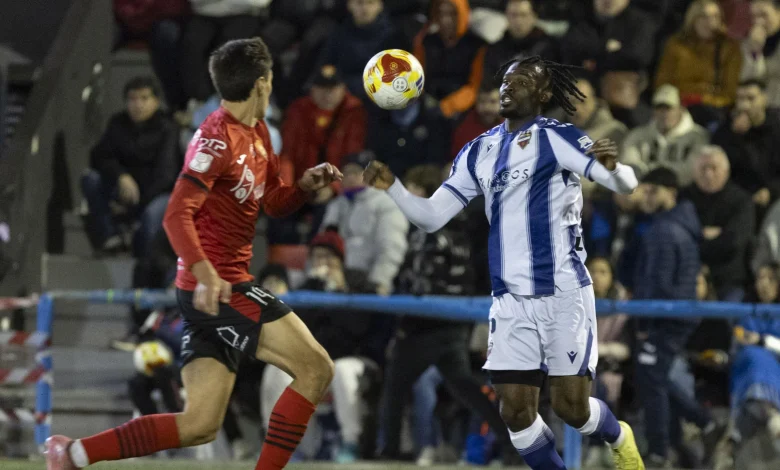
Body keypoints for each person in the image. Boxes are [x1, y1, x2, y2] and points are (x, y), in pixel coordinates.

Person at [45, 37, 343, 470]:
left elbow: (272, 201)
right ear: (262, 83)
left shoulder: (259, 132)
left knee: (199, 424)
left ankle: (73, 453)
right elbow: (174, 215)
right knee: (317, 369)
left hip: (211, 289)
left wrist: (302, 188)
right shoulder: (215, 140)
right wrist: (206, 273)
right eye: (272, 78)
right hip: (220, 288)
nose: (273, 85)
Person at [364, 55, 644, 469]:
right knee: (514, 413)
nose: (508, 87)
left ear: (544, 93)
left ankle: (620, 438)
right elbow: (432, 217)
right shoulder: (480, 149)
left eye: (522, 81)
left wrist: (614, 169)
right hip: (510, 301)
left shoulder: (560, 138)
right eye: (505, 81)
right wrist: (395, 189)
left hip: (563, 293)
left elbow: (627, 185)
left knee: (572, 409)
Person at [378, 164, 511, 464]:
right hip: (453, 322)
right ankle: (511, 441)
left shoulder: (428, 233)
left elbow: (422, 284)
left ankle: (388, 453)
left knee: (396, 385)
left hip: (424, 324)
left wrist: (404, 315)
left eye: (411, 189)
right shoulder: (458, 229)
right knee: (463, 383)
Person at [261, 230, 385, 464]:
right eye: (317, 257)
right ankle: (282, 445)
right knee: (276, 371)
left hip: (356, 359)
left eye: (328, 257)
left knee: (342, 371)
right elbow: (300, 331)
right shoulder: (310, 286)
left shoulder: (359, 282)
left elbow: (358, 330)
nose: (322, 263)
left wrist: (339, 291)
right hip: (316, 363)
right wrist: (318, 290)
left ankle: (351, 442)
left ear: (340, 259)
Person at [631, 167, 702, 467]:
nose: (646, 196)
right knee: (654, 377)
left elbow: (656, 283)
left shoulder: (664, 229)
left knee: (652, 378)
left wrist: (645, 324)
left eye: (652, 190)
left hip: (664, 316)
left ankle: (661, 451)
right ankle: (676, 446)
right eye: (645, 190)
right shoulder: (678, 224)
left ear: (670, 192)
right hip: (677, 314)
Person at [81, 76, 179, 256]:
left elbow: (166, 176)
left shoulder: (167, 128)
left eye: (144, 98)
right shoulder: (118, 123)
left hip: (157, 193)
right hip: (125, 190)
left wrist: (138, 202)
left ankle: (144, 260)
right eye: (132, 99)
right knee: (90, 179)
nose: (138, 105)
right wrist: (121, 176)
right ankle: (111, 239)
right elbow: (99, 156)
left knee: (152, 214)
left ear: (156, 101)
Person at [713, 262, 780, 470]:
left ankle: (732, 440)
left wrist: (762, 341)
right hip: (747, 373)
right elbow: (737, 350)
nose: (764, 285)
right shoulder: (746, 313)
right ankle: (772, 416)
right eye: (760, 279)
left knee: (757, 355)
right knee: (752, 356)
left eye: (770, 279)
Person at [322, 150, 409, 295]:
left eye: (357, 172)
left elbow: (391, 247)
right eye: (346, 173)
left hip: (369, 283)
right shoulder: (336, 205)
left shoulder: (386, 204)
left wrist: (379, 282)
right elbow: (322, 246)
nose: (350, 177)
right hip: (337, 282)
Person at [681, 146, 754, 301]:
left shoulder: (741, 201)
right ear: (694, 172)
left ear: (726, 172)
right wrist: (715, 235)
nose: (708, 174)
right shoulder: (683, 198)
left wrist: (698, 238)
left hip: (728, 280)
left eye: (714, 168)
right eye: (703, 168)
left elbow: (734, 242)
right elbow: (678, 240)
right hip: (687, 278)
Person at [654, 0, 742, 127]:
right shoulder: (676, 44)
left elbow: (730, 92)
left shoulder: (729, 48)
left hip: (711, 108)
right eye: (703, 16)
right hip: (677, 106)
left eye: (715, 17)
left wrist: (704, 99)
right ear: (693, 18)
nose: (710, 22)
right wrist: (677, 102)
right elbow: (662, 83)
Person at [712, 79, 780, 219]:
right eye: (740, 99)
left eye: (751, 98)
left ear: (764, 99)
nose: (744, 105)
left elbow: (763, 168)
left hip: (772, 195)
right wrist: (738, 137)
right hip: (737, 196)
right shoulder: (725, 131)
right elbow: (721, 169)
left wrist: (771, 191)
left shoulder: (776, 128)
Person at [621, 84, 710, 186]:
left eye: (669, 108)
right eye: (659, 108)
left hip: (682, 192)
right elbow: (629, 166)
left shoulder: (698, 136)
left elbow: (691, 171)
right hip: (644, 190)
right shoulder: (637, 135)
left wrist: (657, 176)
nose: (664, 113)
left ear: (680, 108)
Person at [413, 0, 487, 120]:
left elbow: (475, 87)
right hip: (427, 103)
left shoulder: (477, 46)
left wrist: (448, 106)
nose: (445, 20)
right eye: (441, 14)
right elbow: (415, 77)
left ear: (462, 14)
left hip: (462, 109)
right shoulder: (426, 41)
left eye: (452, 14)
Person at [317, 0, 404, 98]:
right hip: (342, 94)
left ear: (380, 6)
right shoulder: (338, 34)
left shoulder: (393, 36)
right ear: (349, 5)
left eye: (370, 3)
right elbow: (327, 65)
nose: (365, 8)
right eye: (359, 3)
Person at [562, 0, 657, 76]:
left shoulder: (641, 22)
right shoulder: (580, 14)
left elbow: (639, 57)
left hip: (621, 85)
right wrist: (606, 47)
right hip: (583, 79)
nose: (609, 1)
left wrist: (597, 64)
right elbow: (570, 47)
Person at [482, 0, 558, 83]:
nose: (518, 21)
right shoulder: (495, 50)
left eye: (523, 15)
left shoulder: (550, 47)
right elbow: (487, 87)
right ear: (506, 16)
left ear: (534, 16)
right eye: (513, 15)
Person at [741, 0, 780, 108]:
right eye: (754, 16)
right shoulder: (748, 41)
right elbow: (749, 80)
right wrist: (755, 51)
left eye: (764, 15)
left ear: (778, 13)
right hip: (758, 107)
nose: (758, 22)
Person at [450, 84, 502, 159]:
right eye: (482, 102)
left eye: (493, 102)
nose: (487, 108)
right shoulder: (465, 126)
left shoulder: (513, 126)